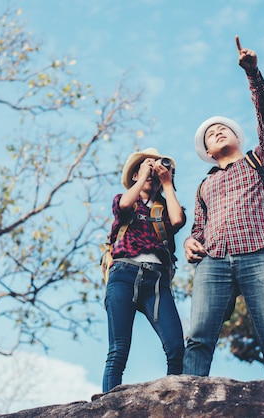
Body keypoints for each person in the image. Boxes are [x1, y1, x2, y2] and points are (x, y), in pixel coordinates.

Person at [182, 36, 264, 383]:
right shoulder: (204, 184)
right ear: (208, 151)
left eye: (223, 129)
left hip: (260, 254)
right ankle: (188, 402)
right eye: (211, 134)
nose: (217, 132)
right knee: (198, 339)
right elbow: (198, 229)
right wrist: (189, 242)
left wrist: (253, 76)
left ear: (236, 138)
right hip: (213, 261)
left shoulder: (260, 160)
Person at [102, 147, 186, 392]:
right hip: (123, 274)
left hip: (157, 282)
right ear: (135, 176)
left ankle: (174, 402)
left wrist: (167, 184)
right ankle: (108, 407)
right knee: (118, 350)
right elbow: (126, 203)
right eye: (146, 167)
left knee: (176, 347)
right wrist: (142, 176)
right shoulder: (125, 199)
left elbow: (178, 220)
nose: (151, 170)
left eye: (156, 167)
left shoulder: (165, 206)